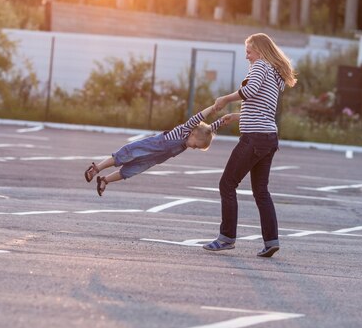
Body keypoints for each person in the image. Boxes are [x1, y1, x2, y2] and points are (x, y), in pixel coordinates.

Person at [203, 33, 297, 258]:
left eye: (249, 51)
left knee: (227, 184)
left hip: (254, 137)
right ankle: (271, 240)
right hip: (269, 138)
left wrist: (225, 99)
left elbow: (249, 91)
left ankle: (226, 238)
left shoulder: (260, 66)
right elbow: (262, 105)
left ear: (260, 50)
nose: (247, 56)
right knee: (261, 191)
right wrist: (237, 116)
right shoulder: (275, 73)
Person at [84, 105, 232, 196]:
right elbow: (198, 118)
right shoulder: (186, 130)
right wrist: (213, 109)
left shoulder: (194, 137)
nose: (193, 147)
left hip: (153, 159)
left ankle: (104, 181)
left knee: (129, 172)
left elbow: (206, 130)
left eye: (197, 148)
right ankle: (96, 169)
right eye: (196, 145)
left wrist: (220, 122)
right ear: (193, 134)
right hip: (150, 145)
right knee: (123, 156)